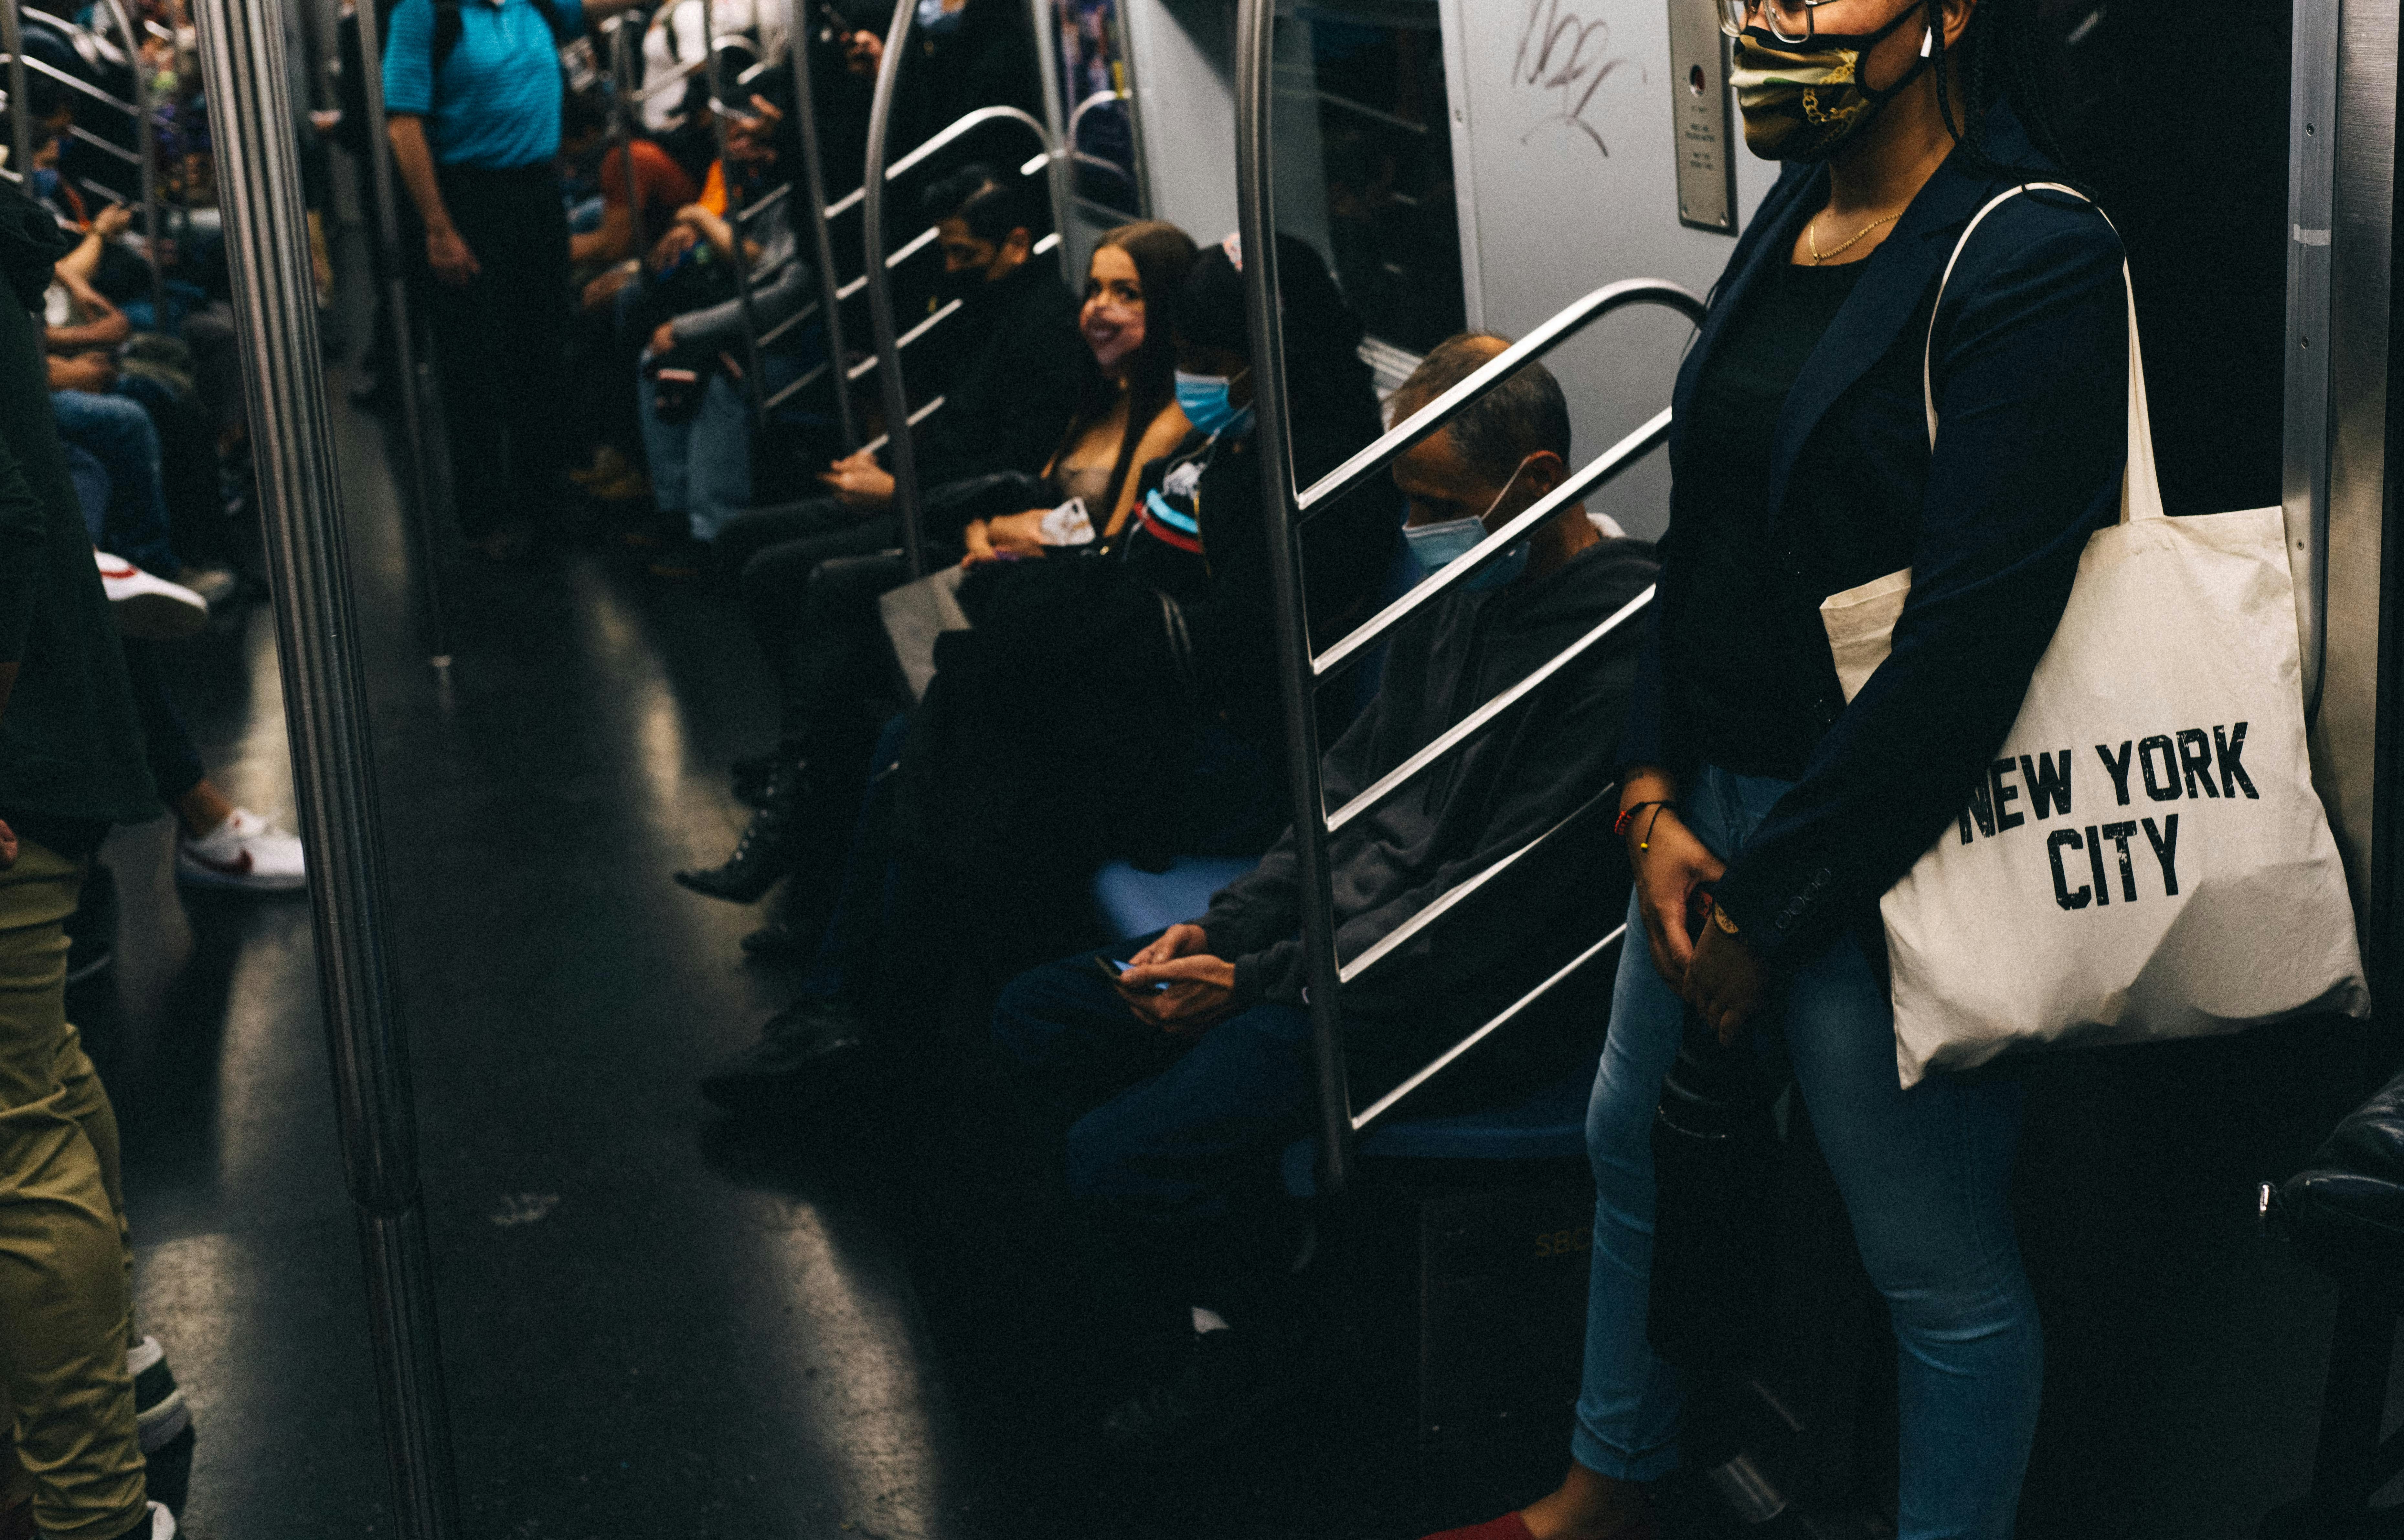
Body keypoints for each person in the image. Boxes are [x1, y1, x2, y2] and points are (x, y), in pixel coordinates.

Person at [1429, 2, 2127, 1538]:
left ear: (1945, 16)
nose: (1769, 15)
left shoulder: (2029, 250)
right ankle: (1599, 1486)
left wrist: (1770, 912)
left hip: (1880, 839)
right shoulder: (1795, 216)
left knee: (1932, 1264)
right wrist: (1648, 797)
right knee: (1631, 1151)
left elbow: (1966, 650)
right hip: (1707, 808)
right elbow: (1712, 546)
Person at [984, 336, 1657, 1451]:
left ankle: (1264, 1336)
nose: (1413, 530)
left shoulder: (1612, 652)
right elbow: (1343, 791)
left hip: (1437, 998)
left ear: (1536, 482)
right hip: (1323, 953)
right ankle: (1238, 1272)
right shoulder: (1459, 594)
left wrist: (1254, 982)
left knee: (1114, 1155)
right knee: (1038, 1013)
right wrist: (1229, 922)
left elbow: (1487, 916)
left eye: (1434, 501)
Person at [696, 234, 1394, 1109]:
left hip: (1227, 754)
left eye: (1209, 361)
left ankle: (857, 1017)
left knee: (947, 745)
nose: (1192, 377)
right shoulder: (1247, 442)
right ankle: (850, 1011)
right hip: (1154, 714)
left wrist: (1078, 628)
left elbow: (1232, 651)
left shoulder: (1319, 475)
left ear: (1269, 360)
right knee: (927, 732)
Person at [678, 219, 1196, 909]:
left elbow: (1107, 545)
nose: (1098, 307)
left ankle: (799, 835)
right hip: (1006, 565)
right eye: (1095, 288)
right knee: (825, 614)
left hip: (1042, 599)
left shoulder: (1166, 420)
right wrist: (992, 527)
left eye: (1125, 294)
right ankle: (805, 833)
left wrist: (1000, 530)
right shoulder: (1103, 394)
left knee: (844, 609)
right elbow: (1038, 494)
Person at [0, 172, 179, 1540]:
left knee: (9, 1135)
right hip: (43, 725)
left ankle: (88, 1510)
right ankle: (113, 1383)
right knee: (41, 1078)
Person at [709, 161, 1083, 580]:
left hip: (957, 514)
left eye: (965, 253)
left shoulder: (1048, 333)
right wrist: (880, 466)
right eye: (947, 251)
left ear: (1017, 244)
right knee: (739, 535)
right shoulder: (984, 311)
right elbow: (953, 434)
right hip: (925, 491)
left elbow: (1013, 466)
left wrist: (898, 492)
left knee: (771, 570)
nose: (951, 268)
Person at [382, 0, 643, 559]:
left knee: (543, 350)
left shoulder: (537, 3)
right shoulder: (426, 13)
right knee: (473, 363)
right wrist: (437, 227)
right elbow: (404, 124)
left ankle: (544, 498)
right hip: (466, 198)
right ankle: (485, 515)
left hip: (535, 195)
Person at [630, 79, 817, 555]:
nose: (742, 149)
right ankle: (674, 508)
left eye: (756, 139)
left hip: (795, 337)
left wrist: (690, 328)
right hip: (751, 322)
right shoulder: (743, 183)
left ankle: (713, 533)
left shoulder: (793, 193)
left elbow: (779, 287)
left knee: (718, 378)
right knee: (657, 361)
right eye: (735, 137)